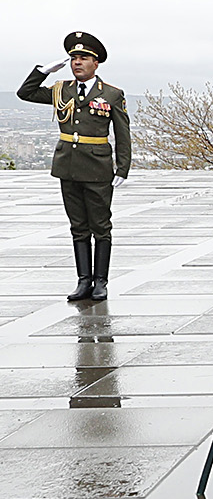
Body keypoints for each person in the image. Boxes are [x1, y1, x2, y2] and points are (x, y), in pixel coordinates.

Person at [17, 31, 131, 302]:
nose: (77, 62)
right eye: (73, 58)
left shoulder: (112, 94)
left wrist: (122, 168)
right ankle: (83, 282)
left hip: (98, 167)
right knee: (78, 226)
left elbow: (123, 133)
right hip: (67, 165)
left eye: (83, 58)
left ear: (96, 63)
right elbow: (25, 93)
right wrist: (42, 71)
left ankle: (100, 282)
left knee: (101, 226)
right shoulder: (61, 89)